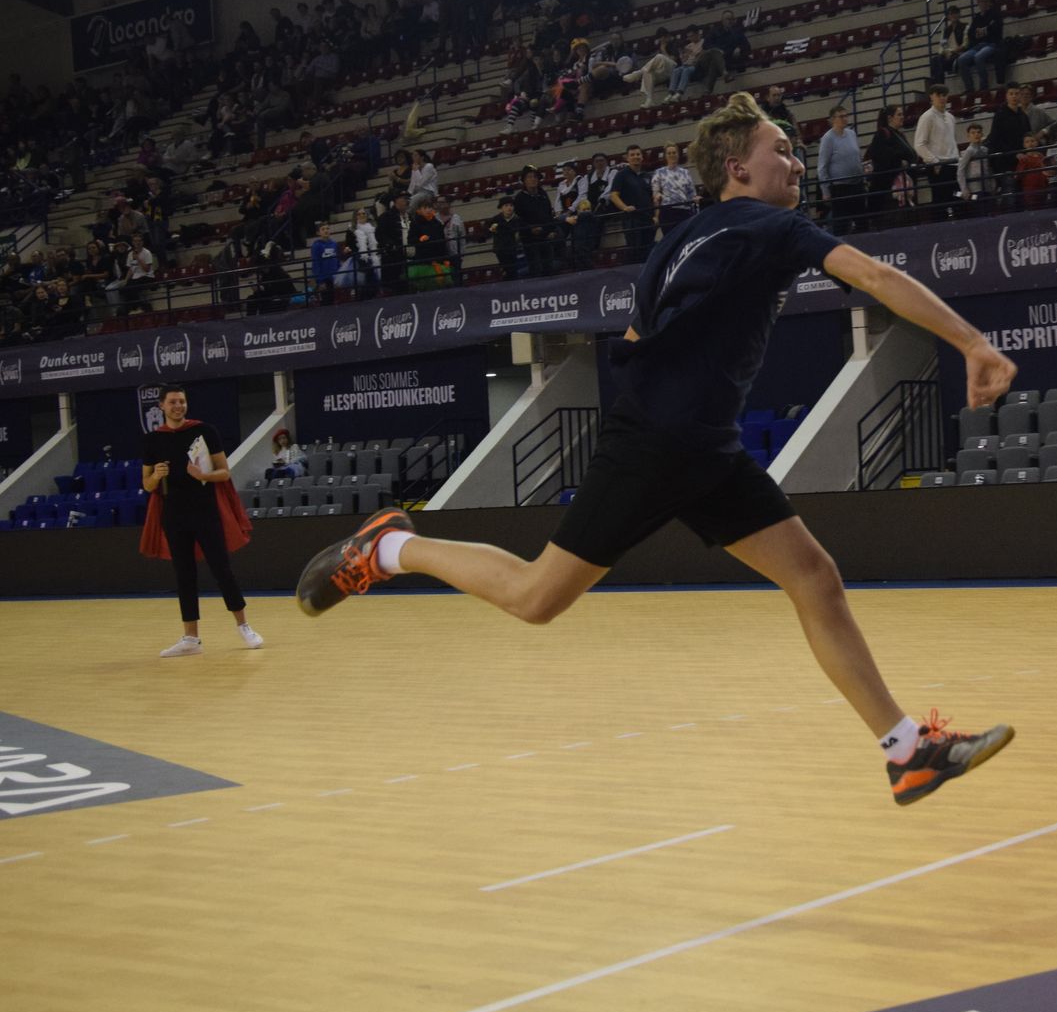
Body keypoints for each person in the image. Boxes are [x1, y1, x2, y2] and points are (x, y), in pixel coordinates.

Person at [294, 93, 1018, 807]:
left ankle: (906, 753)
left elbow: (642, 338)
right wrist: (974, 343)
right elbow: (877, 277)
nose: (795, 163)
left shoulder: (685, 236)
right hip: (661, 444)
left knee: (813, 576)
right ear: (737, 167)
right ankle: (389, 548)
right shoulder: (768, 227)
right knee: (535, 595)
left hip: (702, 445)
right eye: (782, 151)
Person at [142, 386, 261, 657]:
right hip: (173, 513)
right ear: (161, 405)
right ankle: (191, 639)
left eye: (182, 401)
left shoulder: (204, 431)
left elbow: (224, 473)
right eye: (172, 402)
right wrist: (156, 476)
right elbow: (147, 485)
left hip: (205, 510)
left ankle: (244, 626)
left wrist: (202, 475)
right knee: (184, 576)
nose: (178, 406)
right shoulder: (152, 440)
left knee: (222, 570)